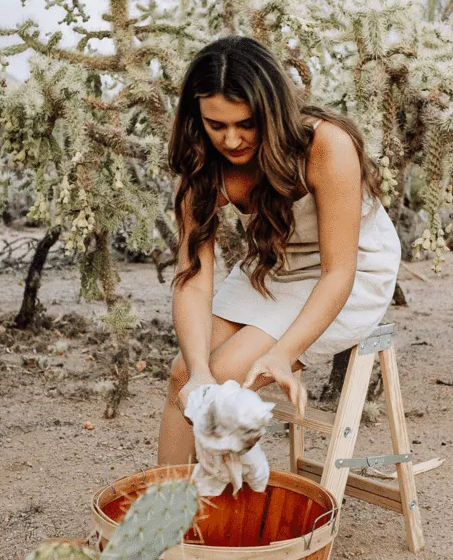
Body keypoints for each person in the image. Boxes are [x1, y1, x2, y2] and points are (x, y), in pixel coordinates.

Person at [157, 35, 401, 465]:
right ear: (198, 119)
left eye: (246, 124)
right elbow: (193, 278)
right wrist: (197, 370)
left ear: (271, 112)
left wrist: (282, 353)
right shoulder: (200, 168)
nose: (231, 141)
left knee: (230, 373)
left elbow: (338, 272)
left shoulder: (327, 144)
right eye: (217, 125)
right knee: (184, 375)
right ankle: (166, 522)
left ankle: (212, 514)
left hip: (351, 270)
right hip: (277, 262)